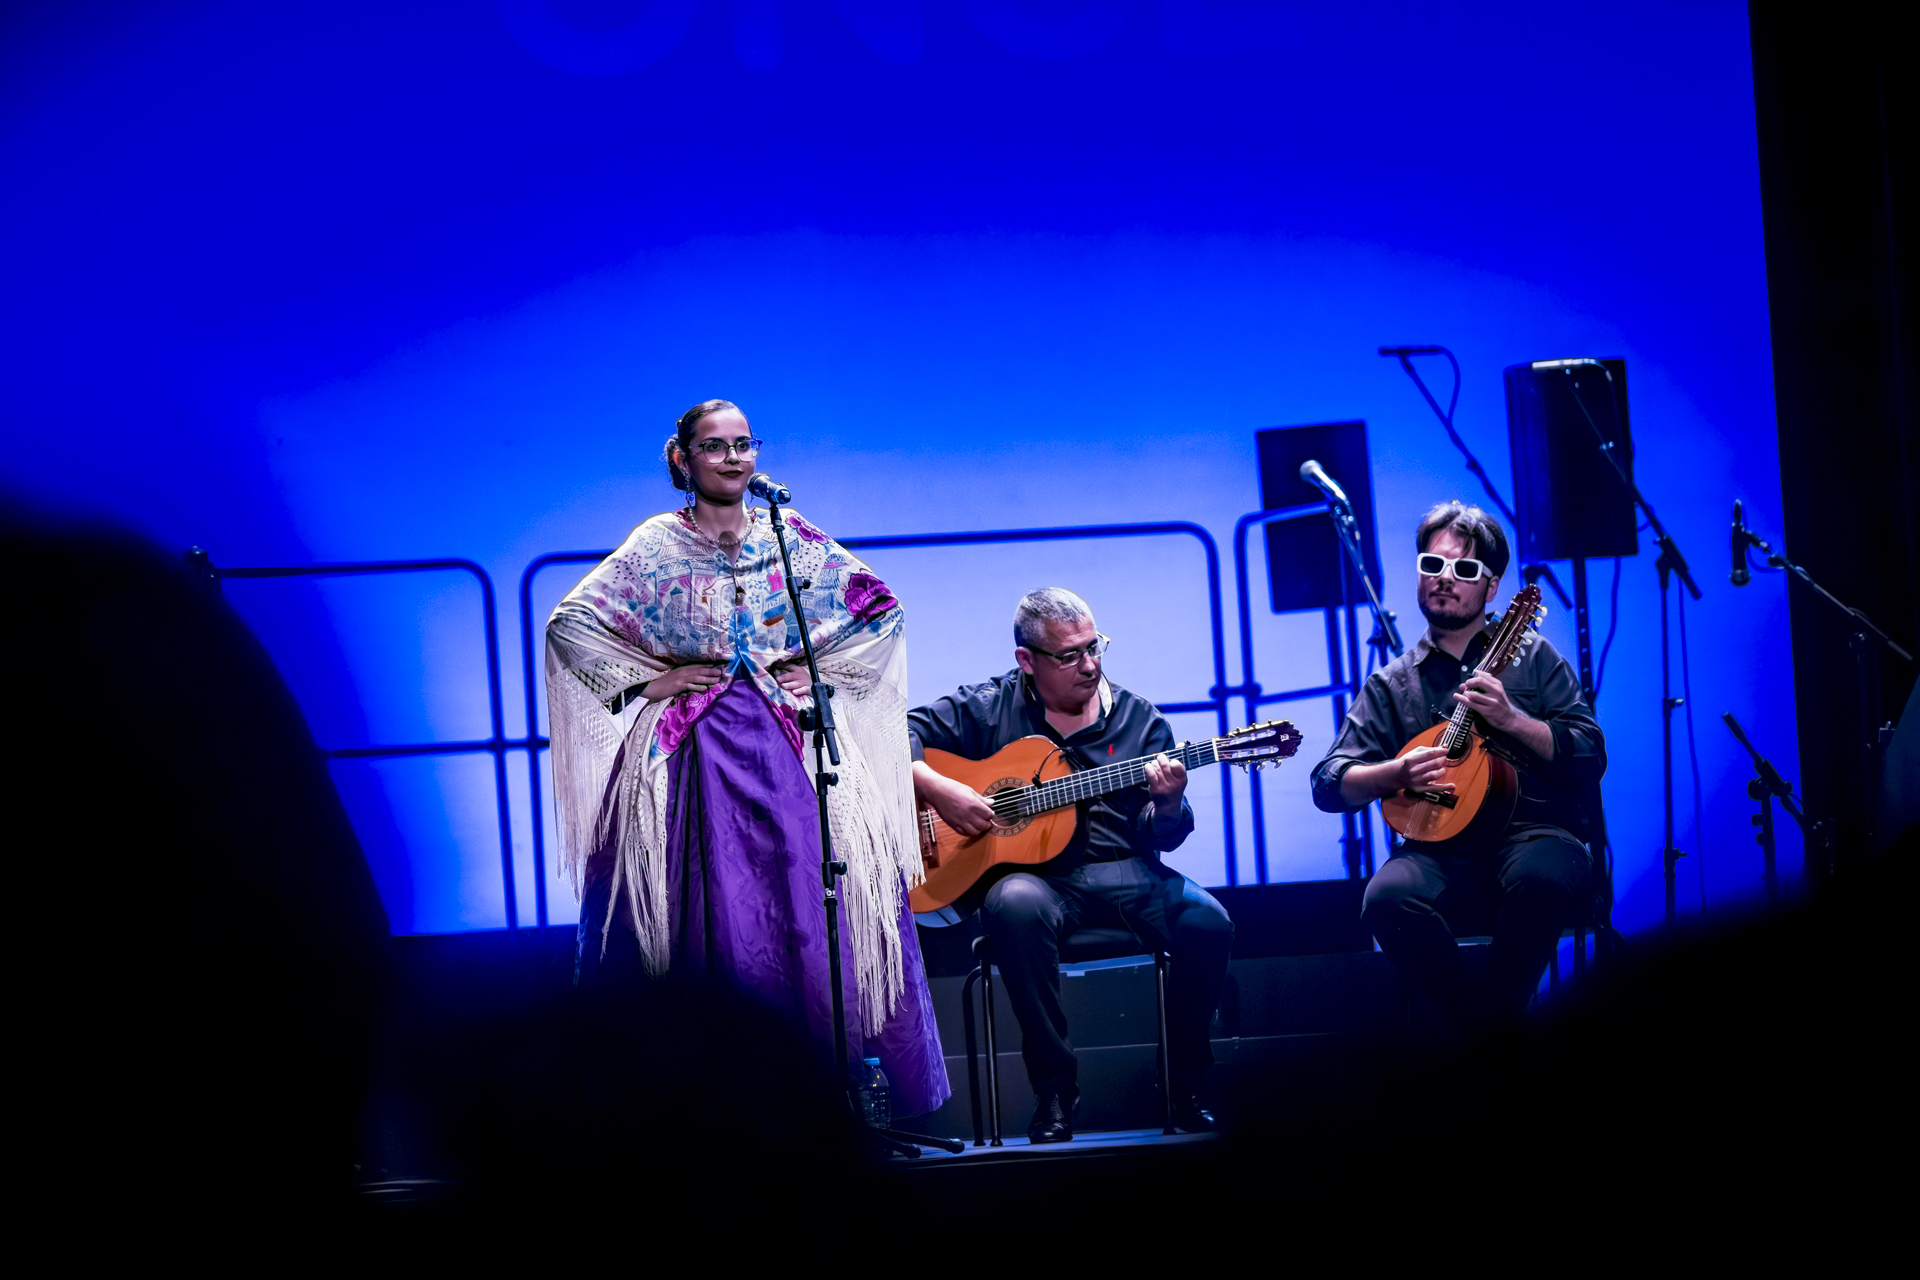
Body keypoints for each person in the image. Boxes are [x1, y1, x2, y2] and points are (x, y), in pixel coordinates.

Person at [544, 398, 948, 1118]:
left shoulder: (788, 537)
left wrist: (818, 675)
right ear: (683, 459)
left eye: (744, 444)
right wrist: (650, 681)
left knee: (819, 898)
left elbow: (879, 607)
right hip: (691, 756)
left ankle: (834, 1091)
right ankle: (700, 1103)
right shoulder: (655, 546)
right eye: (715, 446)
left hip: (792, 748)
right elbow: (570, 624)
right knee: (700, 903)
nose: (733, 458)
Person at [908, 587, 1233, 1141]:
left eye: (1095, 647)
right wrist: (940, 790)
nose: (1090, 665)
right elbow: (896, 736)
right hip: (1038, 883)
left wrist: (1171, 803)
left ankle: (1185, 1083)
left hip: (1126, 871)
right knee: (1012, 904)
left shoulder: (1140, 721)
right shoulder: (987, 707)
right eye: (1070, 655)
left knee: (1209, 921)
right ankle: (1055, 1090)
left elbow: (1165, 835)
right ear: (1026, 662)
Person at [1312, 501, 1605, 1026]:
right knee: (1384, 898)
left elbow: (1589, 751)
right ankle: (1485, 1029)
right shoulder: (1392, 683)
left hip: (1534, 835)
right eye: (1433, 565)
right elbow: (1329, 783)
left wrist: (1513, 719)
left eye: (1465, 570)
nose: (1445, 579)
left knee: (1542, 879)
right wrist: (1393, 774)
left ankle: (1493, 1027)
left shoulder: (1534, 658)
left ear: (1492, 589)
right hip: (1437, 848)